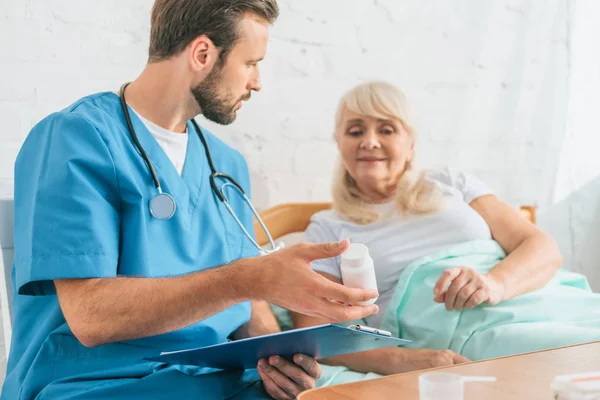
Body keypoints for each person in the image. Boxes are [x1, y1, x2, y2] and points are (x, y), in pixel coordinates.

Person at [2, 1, 380, 399]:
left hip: (210, 382)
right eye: (251, 63)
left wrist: (280, 360)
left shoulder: (226, 165)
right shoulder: (74, 139)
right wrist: (253, 277)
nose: (257, 82)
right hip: (96, 385)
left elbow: (249, 305)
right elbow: (90, 316)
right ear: (203, 54)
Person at [292, 80, 569, 375]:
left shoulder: (451, 183)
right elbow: (314, 333)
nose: (370, 142)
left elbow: (542, 248)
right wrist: (401, 360)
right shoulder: (328, 227)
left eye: (386, 130)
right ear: (339, 143)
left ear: (410, 143)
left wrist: (493, 284)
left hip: (533, 303)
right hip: (464, 340)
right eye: (355, 131)